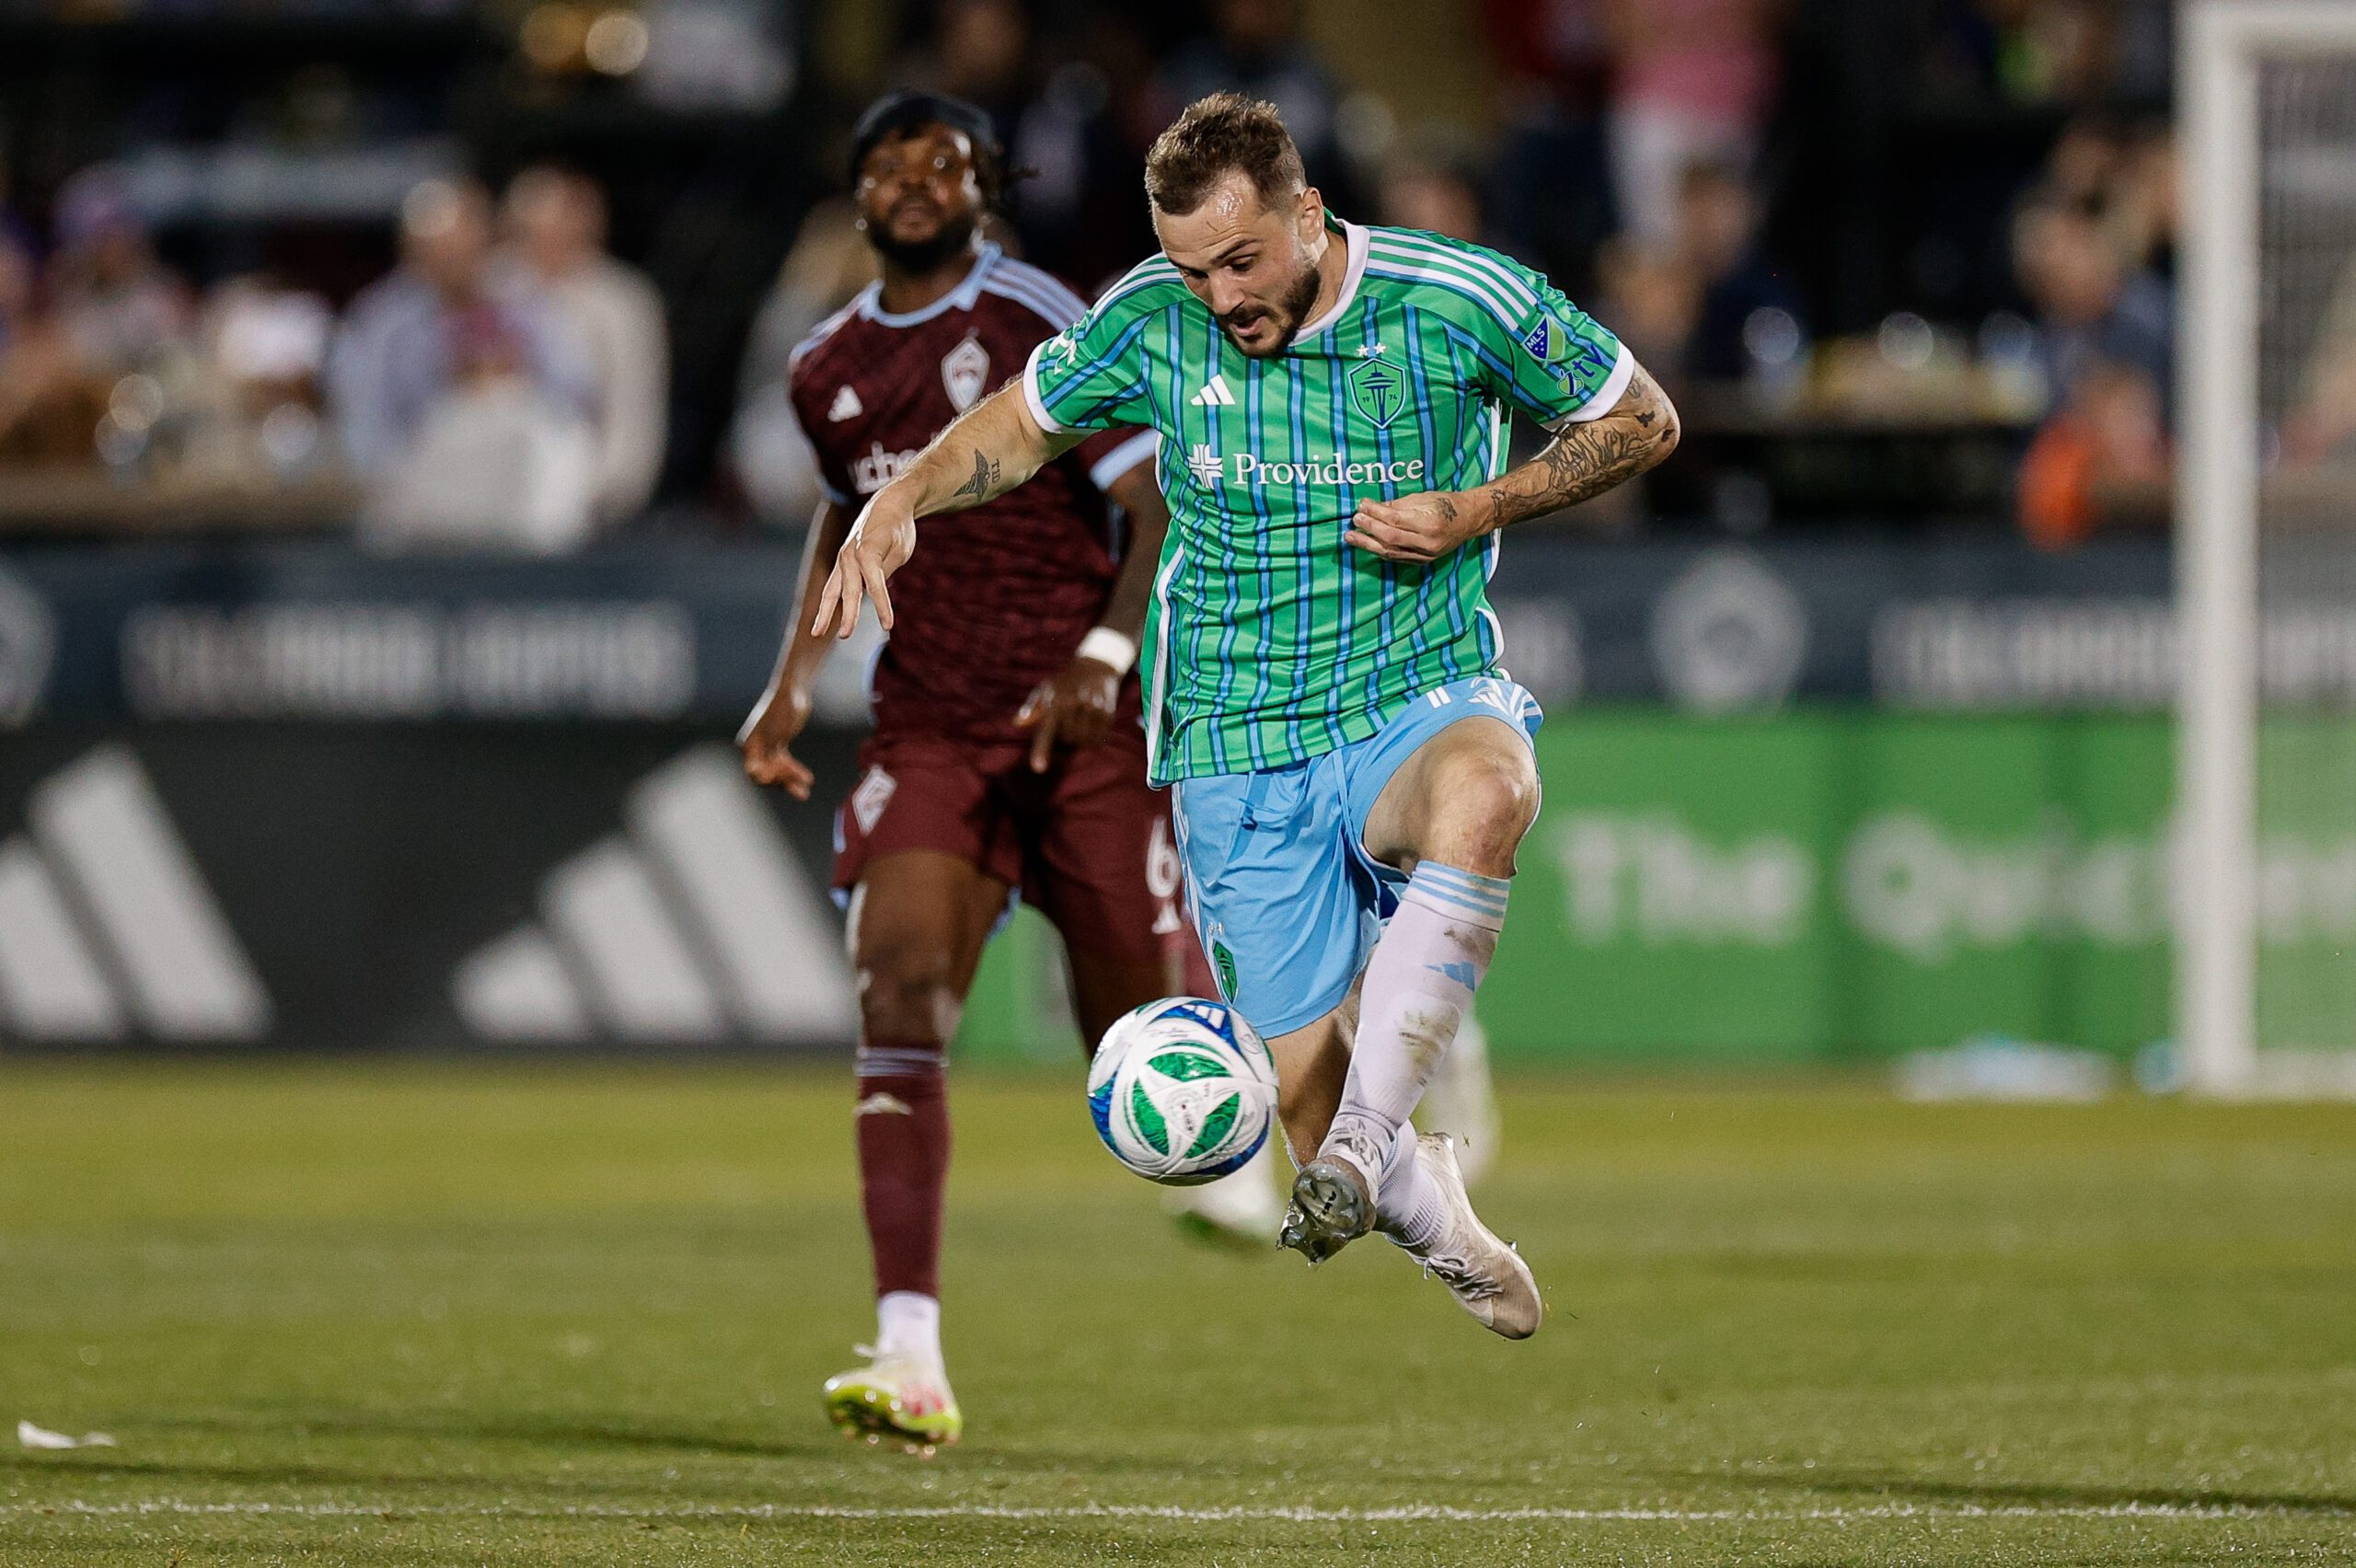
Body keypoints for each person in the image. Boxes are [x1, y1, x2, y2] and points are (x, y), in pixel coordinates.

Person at [814, 93, 1679, 1342]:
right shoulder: (1155, 318)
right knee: (1316, 1128)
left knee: (1489, 789)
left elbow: (1642, 417)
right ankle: (1420, 1197)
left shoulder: (1454, 297)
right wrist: (907, 495)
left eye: (1242, 260)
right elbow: (1020, 424)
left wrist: (1473, 510)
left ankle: (1378, 1140)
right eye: (1192, 268)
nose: (1220, 297)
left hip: (1411, 691)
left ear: (1309, 216)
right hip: (1232, 743)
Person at [734, 91, 1276, 1454]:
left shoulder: (1039, 314)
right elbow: (846, 516)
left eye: (944, 161)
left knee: (1140, 1055)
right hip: (932, 724)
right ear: (854, 196)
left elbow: (1153, 499)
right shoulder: (822, 366)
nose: (915, 181)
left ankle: (1277, 1113)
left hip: (1083, 721)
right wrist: (793, 679)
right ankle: (907, 1349)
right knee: (900, 984)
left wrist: (1105, 649)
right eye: (887, 164)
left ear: (986, 189)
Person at [498, 165, 670, 525]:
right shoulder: (491, 291)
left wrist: (610, 493)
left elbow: (633, 409)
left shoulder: (623, 302)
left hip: (587, 503)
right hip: (491, 495)